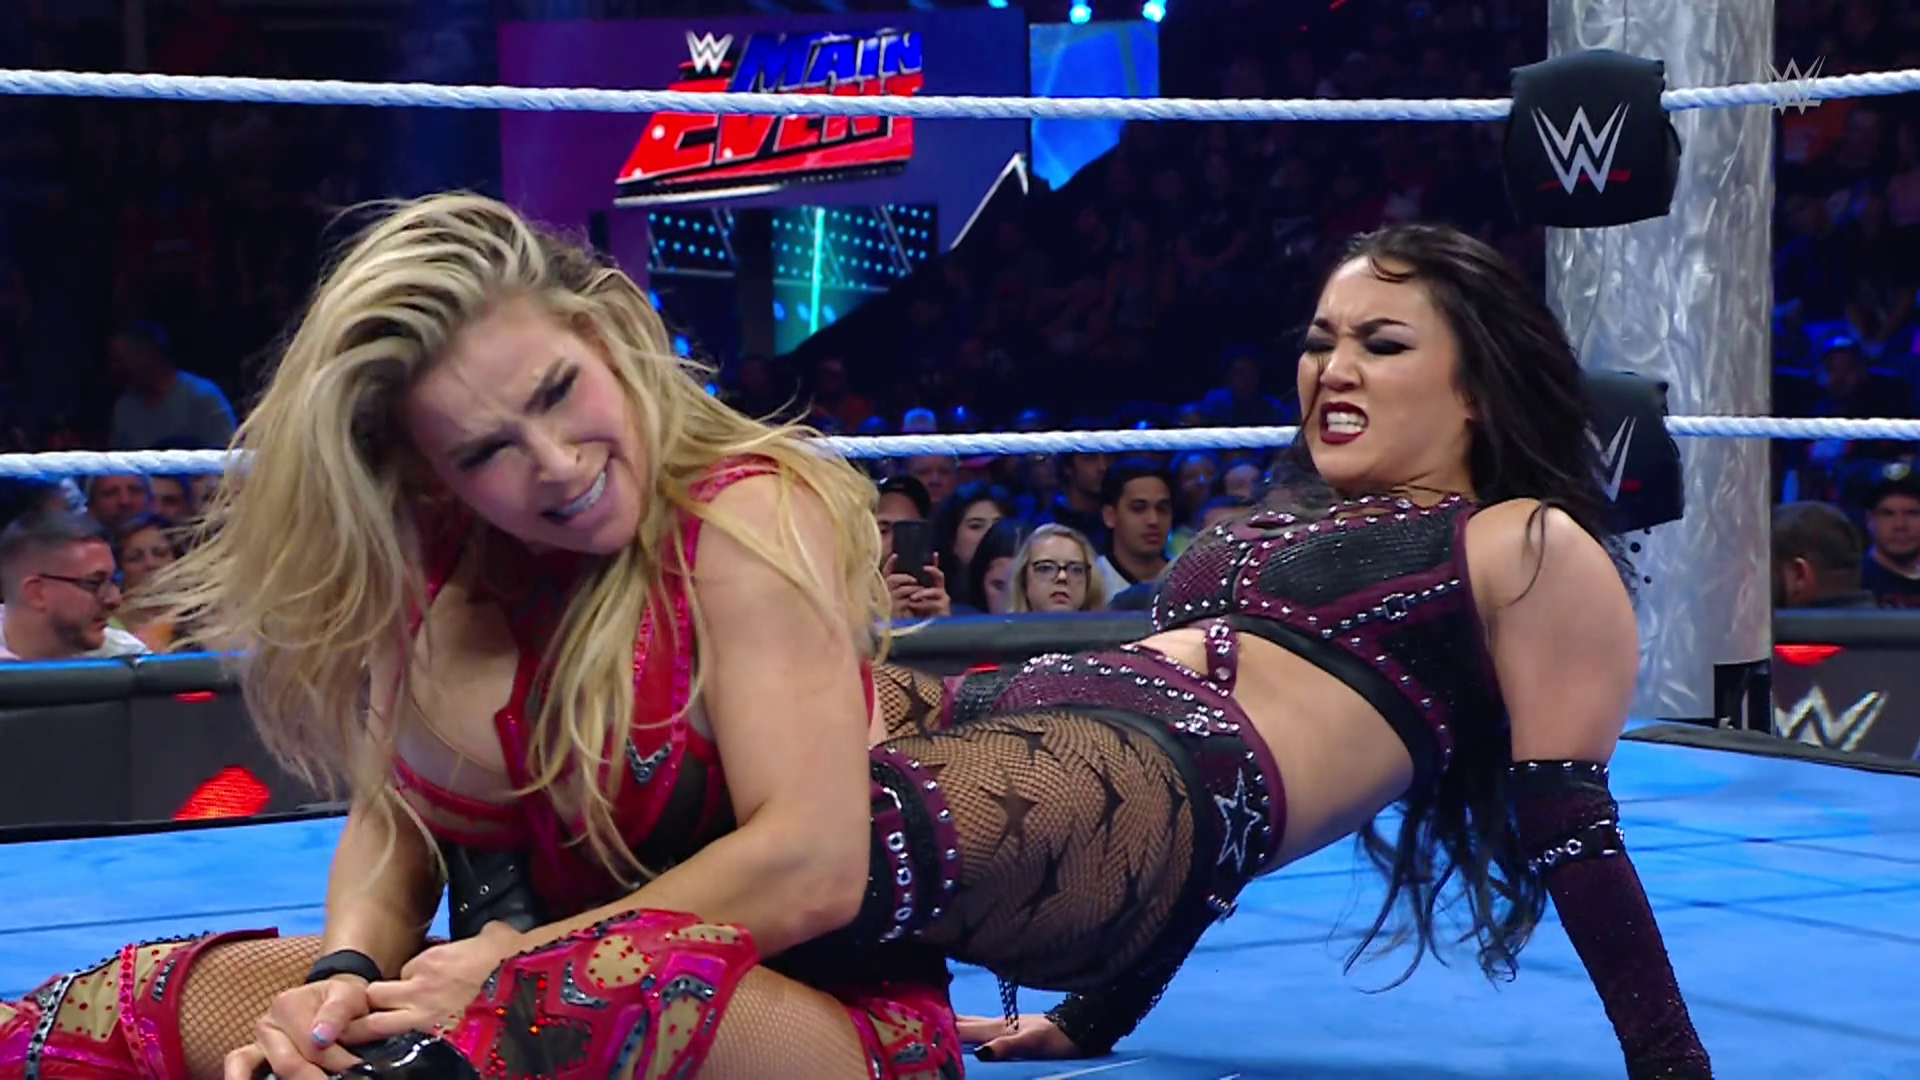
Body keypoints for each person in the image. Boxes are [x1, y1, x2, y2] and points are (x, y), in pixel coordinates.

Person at [0, 193, 966, 1080]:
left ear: (604, 338)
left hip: (802, 1016)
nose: (557, 464)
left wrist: (527, 963)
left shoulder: (747, 519)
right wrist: (343, 976)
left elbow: (811, 867)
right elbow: (395, 818)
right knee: (119, 1012)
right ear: (433, 477)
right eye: (486, 450)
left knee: (537, 1022)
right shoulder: (430, 568)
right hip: (502, 991)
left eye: (557, 391)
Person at [869, 224, 1712, 1078]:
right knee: (788, 730)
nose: (1333, 369)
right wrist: (1093, 1019)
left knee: (826, 848)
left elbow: (1571, 826)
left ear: (1476, 390)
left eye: (1381, 344)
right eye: (1320, 343)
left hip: (1111, 777)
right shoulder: (1279, 518)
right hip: (1020, 716)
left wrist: (1671, 1064)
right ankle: (888, 1013)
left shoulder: (1522, 541)